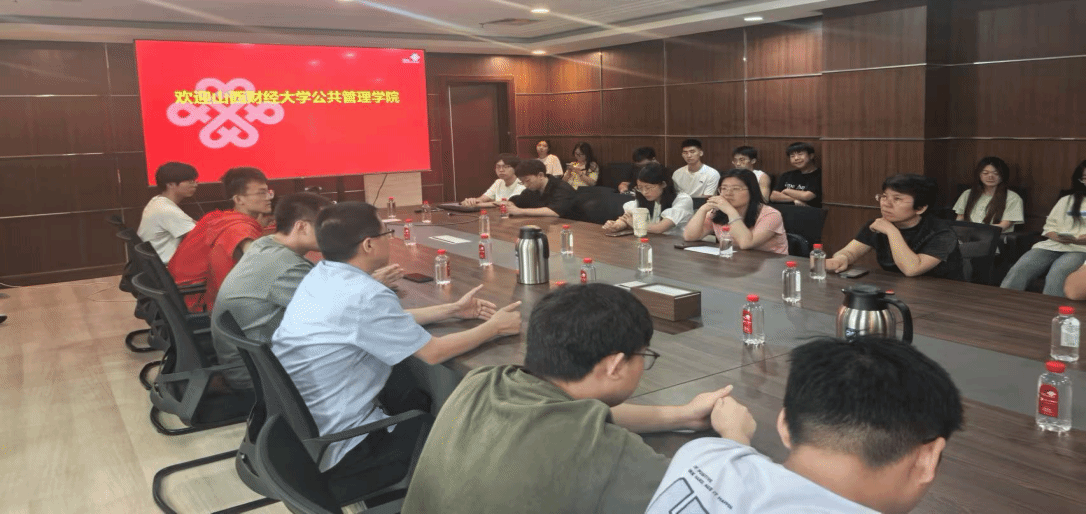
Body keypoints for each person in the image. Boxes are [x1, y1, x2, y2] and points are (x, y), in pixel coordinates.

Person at [401, 284, 739, 514]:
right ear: (615, 365)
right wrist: (735, 437)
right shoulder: (606, 452)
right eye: (644, 355)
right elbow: (711, 499)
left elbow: (577, 415)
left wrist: (680, 415)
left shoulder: (484, 381)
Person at [272, 202, 522, 476]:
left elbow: (380, 321)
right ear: (369, 245)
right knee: (468, 435)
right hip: (346, 445)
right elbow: (434, 352)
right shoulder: (365, 294)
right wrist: (494, 328)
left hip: (305, 435)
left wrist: (452, 310)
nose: (389, 239)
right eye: (386, 233)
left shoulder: (322, 276)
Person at [648, 336, 963, 514]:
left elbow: (734, 465)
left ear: (784, 424)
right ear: (927, 459)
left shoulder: (700, 457)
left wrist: (734, 433)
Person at [212, 191, 409, 389]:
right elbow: (342, 311)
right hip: (263, 377)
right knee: (381, 349)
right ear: (302, 227)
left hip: (254, 362)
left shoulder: (266, 244)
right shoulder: (285, 266)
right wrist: (370, 282)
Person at [168, 166, 272, 311]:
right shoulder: (239, 229)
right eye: (261, 193)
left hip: (177, 296)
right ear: (238, 199)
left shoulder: (217, 217)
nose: (268, 198)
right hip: (198, 301)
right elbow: (261, 266)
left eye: (268, 192)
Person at [826, 174, 963, 279]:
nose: (886, 204)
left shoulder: (941, 233)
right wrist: (841, 259)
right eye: (884, 196)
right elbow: (850, 252)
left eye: (897, 199)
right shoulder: (878, 224)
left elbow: (912, 269)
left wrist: (891, 231)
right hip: (898, 289)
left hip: (944, 296)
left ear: (920, 208)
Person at [1000, 160, 1086, 297]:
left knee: (1058, 272)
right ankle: (1004, 301)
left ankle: (1049, 308)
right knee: (1021, 267)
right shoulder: (1067, 200)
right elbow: (1049, 226)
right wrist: (1056, 236)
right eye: (1085, 177)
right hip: (1055, 244)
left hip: (1081, 249)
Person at [683, 169, 787, 254]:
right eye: (724, 188)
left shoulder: (771, 215)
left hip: (769, 267)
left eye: (736, 189)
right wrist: (703, 209)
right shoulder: (717, 212)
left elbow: (746, 244)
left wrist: (730, 211)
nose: (728, 193)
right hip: (733, 264)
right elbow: (689, 237)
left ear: (752, 191)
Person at [603, 163, 693, 236]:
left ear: (663, 184)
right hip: (652, 242)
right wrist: (616, 225)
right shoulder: (643, 198)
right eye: (640, 188)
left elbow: (659, 228)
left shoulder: (682, 200)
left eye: (648, 188)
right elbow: (627, 218)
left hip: (676, 246)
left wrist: (635, 223)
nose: (644, 192)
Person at [137, 161, 198, 262]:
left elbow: (193, 224)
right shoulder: (166, 209)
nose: (195, 185)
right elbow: (201, 235)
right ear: (170, 184)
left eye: (195, 181)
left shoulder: (158, 201)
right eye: (190, 181)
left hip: (154, 261)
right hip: (166, 264)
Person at [953, 157, 1024, 232]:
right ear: (979, 175)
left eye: (996, 173)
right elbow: (960, 220)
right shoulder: (967, 194)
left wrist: (977, 231)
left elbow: (1004, 225)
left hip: (995, 236)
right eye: (985, 173)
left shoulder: (1013, 198)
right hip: (967, 235)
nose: (990, 176)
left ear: (1003, 175)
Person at [506, 158, 576, 218]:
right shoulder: (531, 190)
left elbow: (555, 211)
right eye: (522, 182)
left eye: (527, 180)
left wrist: (520, 211)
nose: (525, 185)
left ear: (540, 175)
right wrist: (511, 203)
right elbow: (519, 200)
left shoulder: (561, 187)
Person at [770, 141, 822, 208]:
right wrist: (794, 200)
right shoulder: (786, 175)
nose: (796, 158)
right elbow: (773, 196)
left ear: (811, 156)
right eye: (792, 156)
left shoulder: (819, 175)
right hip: (783, 210)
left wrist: (786, 191)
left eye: (800, 154)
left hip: (807, 211)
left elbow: (807, 196)